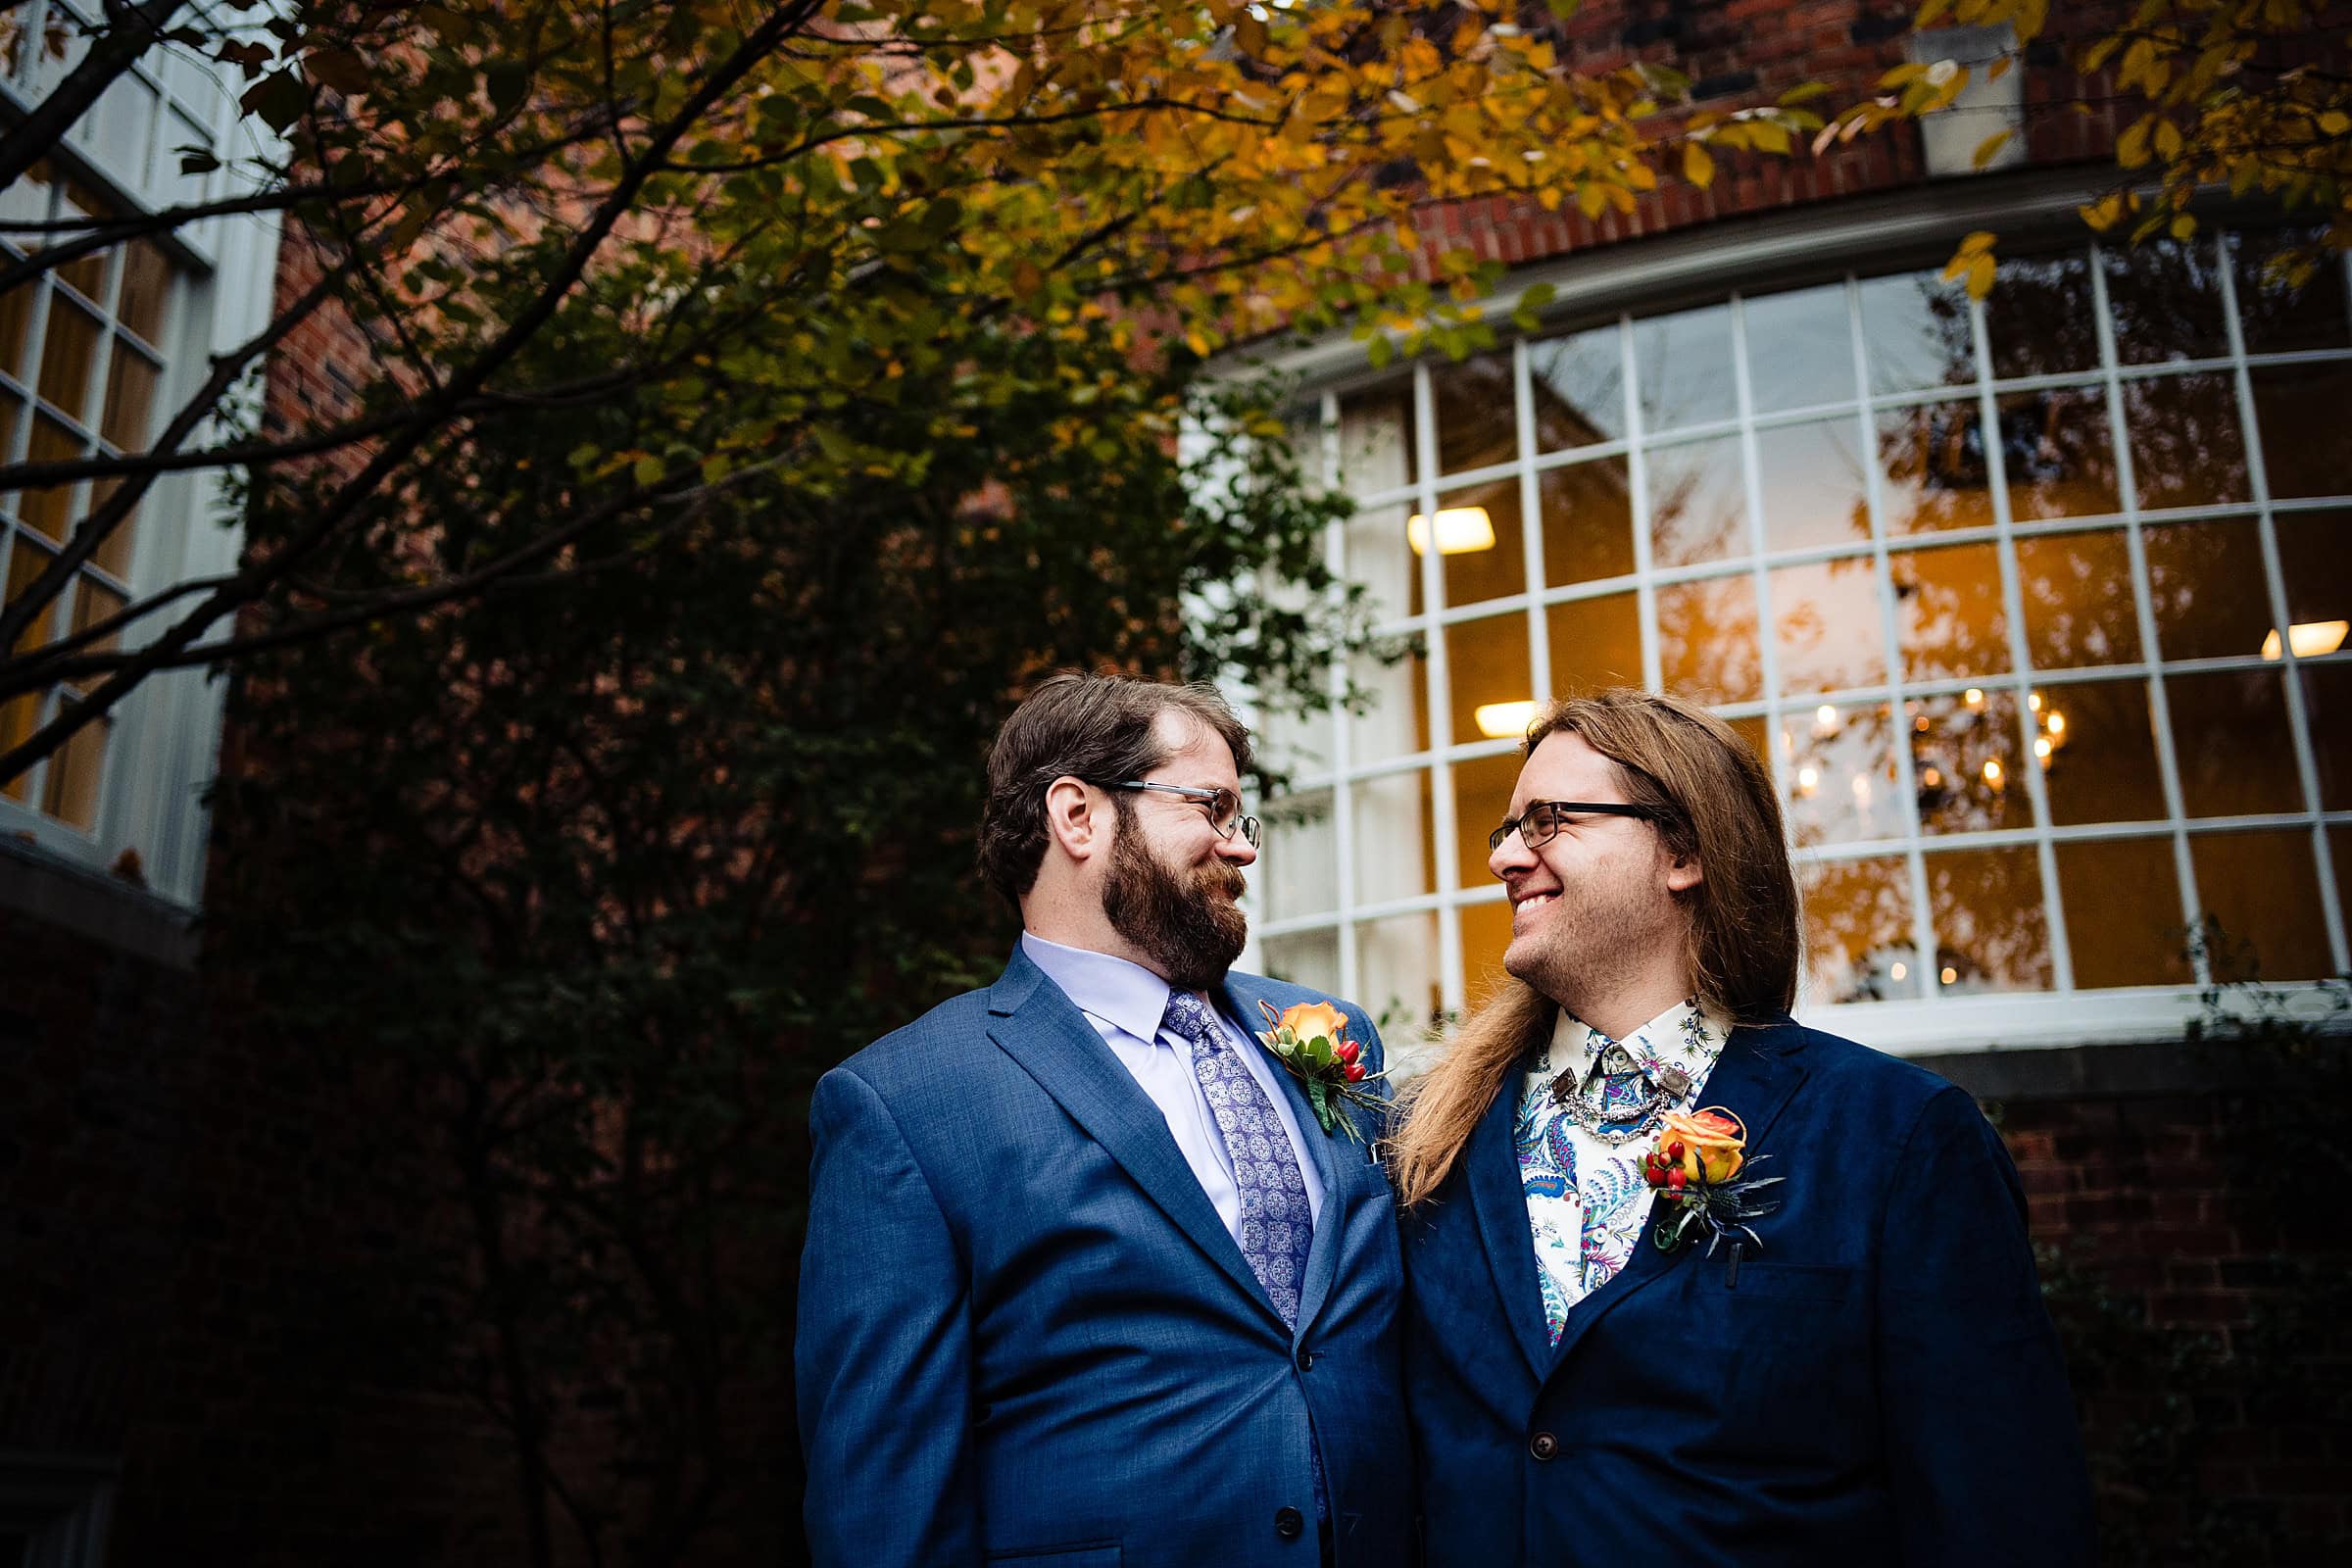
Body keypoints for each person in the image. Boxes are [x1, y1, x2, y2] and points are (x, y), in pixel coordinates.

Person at [1389, 688, 2094, 1566]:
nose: (1505, 858)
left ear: (1682, 851)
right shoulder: (1428, 1144)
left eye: (1547, 821)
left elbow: (2001, 1509)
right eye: (1506, 830)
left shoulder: (1896, 1138)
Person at [797, 673, 1411, 1568]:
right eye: (1212, 807)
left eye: (1242, 818)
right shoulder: (904, 1104)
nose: (1240, 849)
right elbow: (884, 1499)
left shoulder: (1328, 1035)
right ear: (1077, 816)